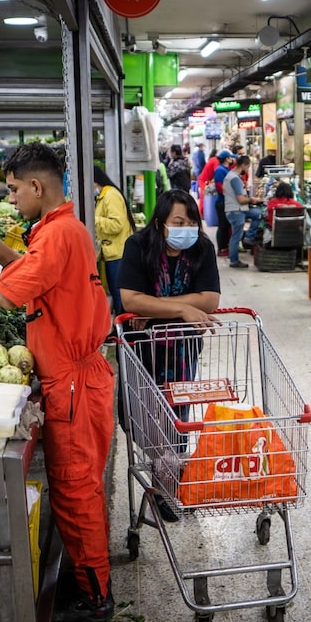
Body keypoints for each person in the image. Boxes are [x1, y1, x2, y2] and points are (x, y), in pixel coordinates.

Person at [0, 142, 115, 622]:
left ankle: (96, 596)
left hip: (75, 383)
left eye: (14, 190)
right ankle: (89, 577)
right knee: (78, 487)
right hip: (78, 377)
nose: (10, 198)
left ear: (37, 186)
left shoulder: (58, 234)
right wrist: (0, 250)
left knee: (77, 490)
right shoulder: (61, 229)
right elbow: (43, 280)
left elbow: (7, 296)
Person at [117, 188, 221, 521]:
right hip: (143, 352)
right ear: (161, 223)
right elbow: (130, 301)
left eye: (192, 221)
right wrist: (181, 309)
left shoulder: (202, 248)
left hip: (182, 350)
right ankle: (159, 473)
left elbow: (210, 301)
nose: (186, 228)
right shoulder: (138, 246)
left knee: (177, 415)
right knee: (145, 417)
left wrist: (161, 309)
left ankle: (167, 484)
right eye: (179, 221)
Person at [94, 165, 136, 315]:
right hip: (113, 253)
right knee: (117, 295)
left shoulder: (111, 196)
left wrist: (93, 220)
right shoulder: (103, 196)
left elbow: (117, 224)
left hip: (118, 254)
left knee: (120, 298)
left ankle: (124, 330)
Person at [222, 155, 262, 269]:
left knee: (258, 214)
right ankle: (234, 260)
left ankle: (249, 237)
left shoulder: (231, 176)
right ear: (244, 165)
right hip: (236, 210)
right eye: (248, 166)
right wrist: (252, 200)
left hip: (237, 210)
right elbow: (240, 199)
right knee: (236, 236)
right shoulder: (235, 178)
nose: (248, 169)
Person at [210, 150, 237, 257]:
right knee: (223, 225)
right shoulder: (220, 170)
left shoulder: (225, 169)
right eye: (230, 157)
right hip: (222, 202)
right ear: (227, 158)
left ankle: (225, 247)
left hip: (226, 201)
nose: (232, 159)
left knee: (226, 225)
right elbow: (220, 186)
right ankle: (222, 248)